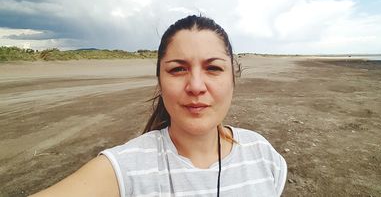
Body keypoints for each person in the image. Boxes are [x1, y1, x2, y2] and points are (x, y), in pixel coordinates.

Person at [31, 15, 287, 197]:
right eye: (178, 69)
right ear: (160, 81)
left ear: (233, 77)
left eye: (213, 68)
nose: (196, 86)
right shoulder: (126, 168)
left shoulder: (262, 154)